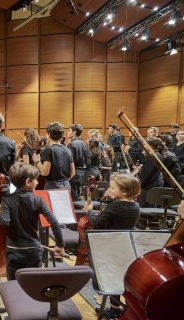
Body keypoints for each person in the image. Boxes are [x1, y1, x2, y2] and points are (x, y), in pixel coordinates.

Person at [0, 163, 64, 280]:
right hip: (34, 252)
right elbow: (54, 222)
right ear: (28, 182)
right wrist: (60, 244)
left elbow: (4, 221)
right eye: (35, 179)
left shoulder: (7, 200)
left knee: (14, 286)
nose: (37, 182)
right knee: (33, 285)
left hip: (14, 252)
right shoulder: (38, 200)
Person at [83, 174, 141, 319]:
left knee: (109, 276)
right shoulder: (135, 206)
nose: (110, 189)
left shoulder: (115, 206)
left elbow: (97, 223)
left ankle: (114, 307)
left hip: (109, 246)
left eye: (113, 188)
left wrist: (89, 211)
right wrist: (110, 199)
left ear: (125, 192)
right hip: (125, 244)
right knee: (120, 275)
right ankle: (120, 306)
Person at [33, 122, 75, 190]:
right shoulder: (68, 150)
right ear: (62, 135)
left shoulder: (49, 150)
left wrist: (37, 161)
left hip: (52, 186)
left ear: (49, 134)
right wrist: (63, 181)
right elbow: (72, 172)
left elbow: (45, 172)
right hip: (66, 186)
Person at [135, 137, 164, 207]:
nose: (143, 146)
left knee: (144, 207)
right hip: (155, 184)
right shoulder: (158, 155)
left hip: (149, 186)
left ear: (150, 146)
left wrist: (139, 185)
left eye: (145, 144)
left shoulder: (152, 156)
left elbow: (147, 174)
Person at [67, 124, 88, 201]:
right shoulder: (84, 143)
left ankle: (75, 212)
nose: (67, 132)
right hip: (82, 171)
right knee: (78, 193)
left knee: (73, 196)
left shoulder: (71, 144)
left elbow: (69, 160)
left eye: (69, 131)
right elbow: (86, 158)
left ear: (74, 132)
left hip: (73, 171)